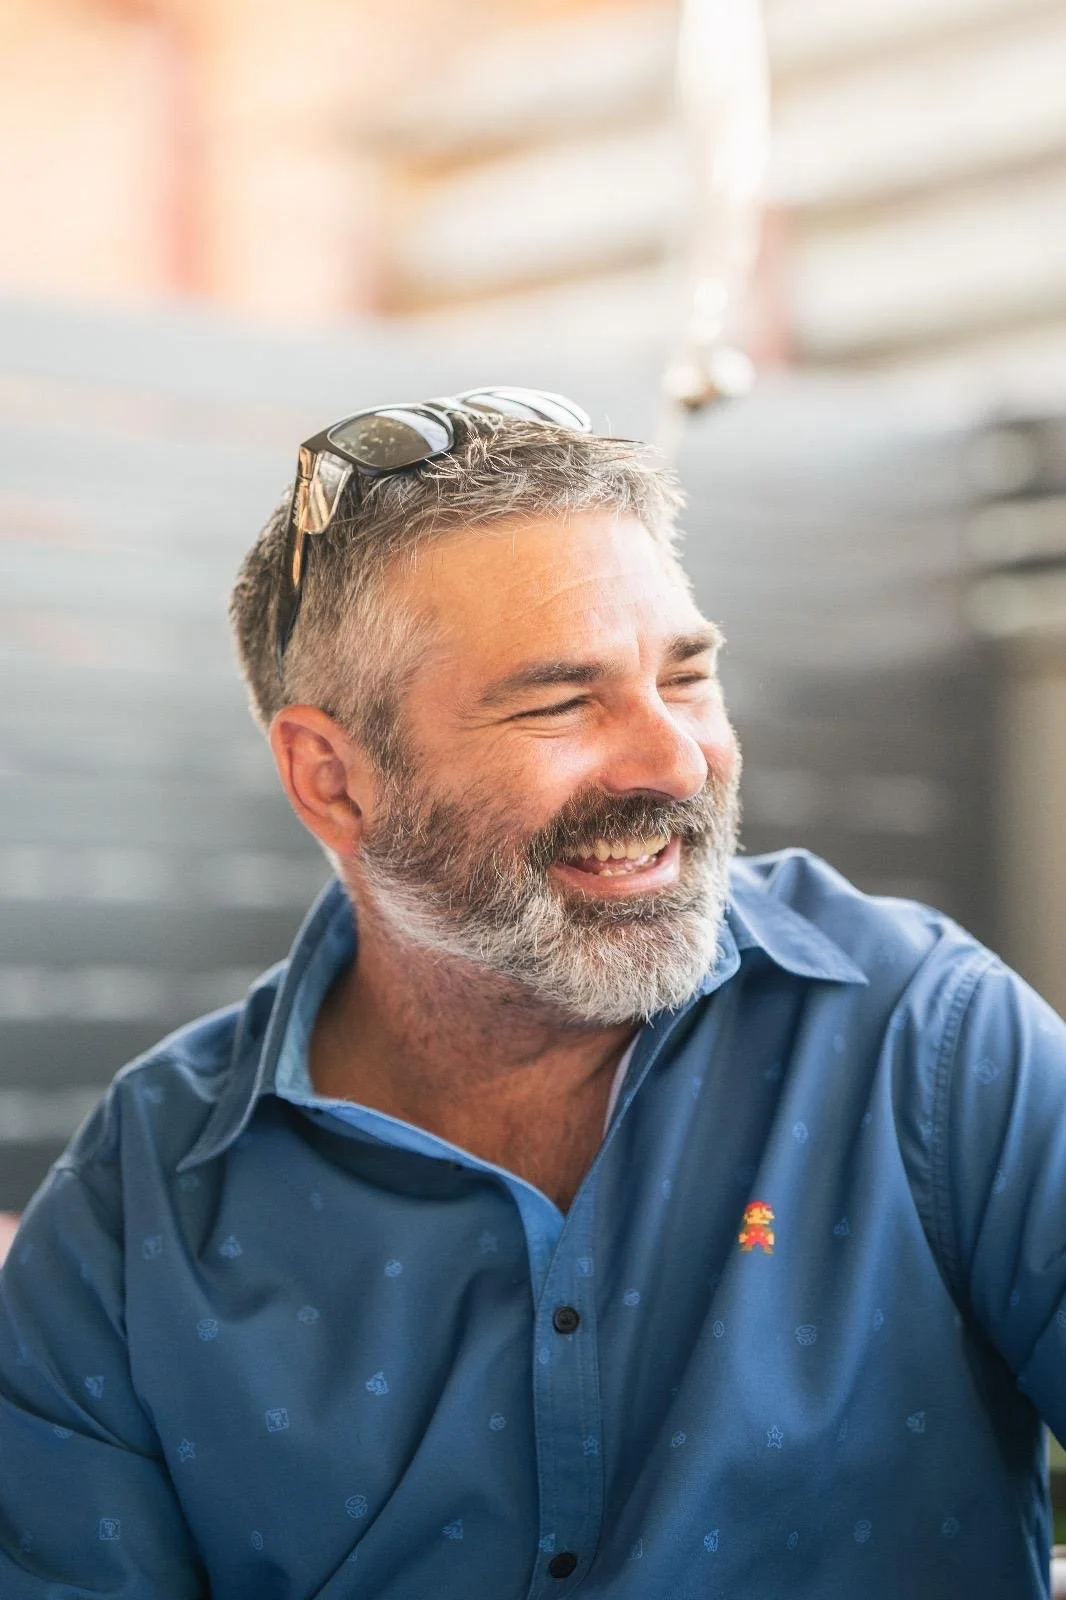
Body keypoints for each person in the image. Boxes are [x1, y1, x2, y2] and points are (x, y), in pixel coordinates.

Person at [1, 388, 1065, 1599]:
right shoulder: (138, 1208)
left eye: (687, 675)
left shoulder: (923, 1040)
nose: (672, 761)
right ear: (334, 779)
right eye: (561, 701)